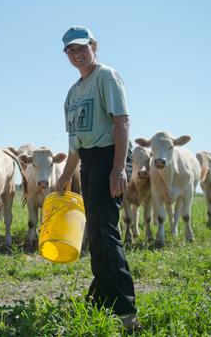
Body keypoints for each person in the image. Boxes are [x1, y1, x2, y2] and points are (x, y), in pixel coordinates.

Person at [55, 25, 139, 332]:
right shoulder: (72, 93)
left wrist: (119, 167)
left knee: (105, 229)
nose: (76, 55)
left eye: (81, 48)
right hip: (89, 160)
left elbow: (122, 121)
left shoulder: (106, 76)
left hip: (109, 155)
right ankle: (102, 297)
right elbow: (74, 143)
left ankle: (126, 310)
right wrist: (65, 174)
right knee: (96, 230)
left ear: (94, 45)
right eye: (70, 51)